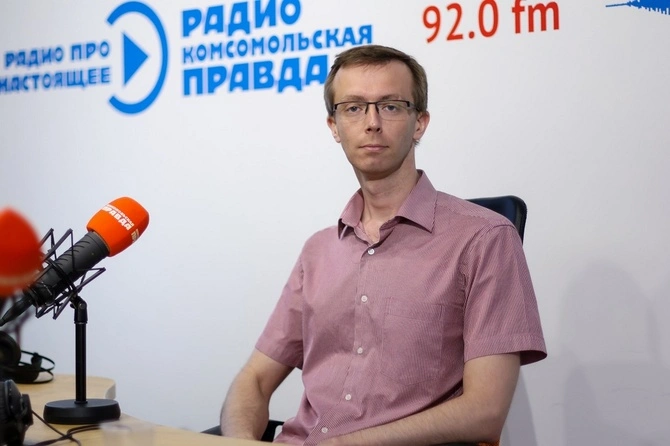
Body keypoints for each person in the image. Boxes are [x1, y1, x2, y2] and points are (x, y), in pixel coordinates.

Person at [220, 44, 547, 446]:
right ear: (334, 126)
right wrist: (238, 441)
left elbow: (485, 411)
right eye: (354, 108)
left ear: (420, 123)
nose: (371, 123)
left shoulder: (485, 239)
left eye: (390, 106)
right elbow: (254, 379)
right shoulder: (318, 251)